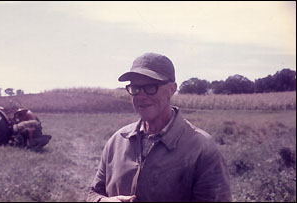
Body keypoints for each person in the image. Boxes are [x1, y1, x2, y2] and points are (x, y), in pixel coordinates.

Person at [87, 53, 232, 202]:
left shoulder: (201, 148)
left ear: (172, 89)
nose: (141, 95)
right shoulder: (117, 141)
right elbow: (93, 194)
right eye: (135, 88)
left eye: (150, 87)